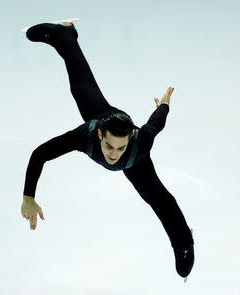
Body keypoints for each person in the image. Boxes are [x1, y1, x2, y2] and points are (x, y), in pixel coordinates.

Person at [20, 20, 194, 280]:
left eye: (120, 148)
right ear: (100, 134)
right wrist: (28, 196)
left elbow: (156, 123)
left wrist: (164, 105)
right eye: (110, 146)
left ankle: (183, 245)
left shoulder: (138, 146)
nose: (114, 154)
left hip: (134, 156)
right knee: (80, 84)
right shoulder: (86, 135)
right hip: (101, 113)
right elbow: (40, 154)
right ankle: (63, 34)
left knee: (161, 200)